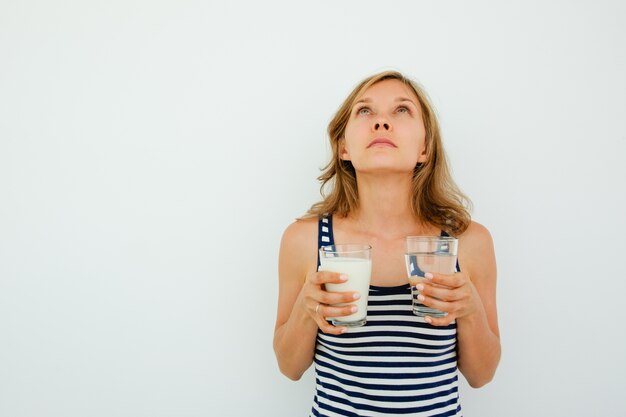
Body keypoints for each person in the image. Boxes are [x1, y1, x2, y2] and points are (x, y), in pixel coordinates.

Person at [273, 70, 500, 417]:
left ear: (424, 148)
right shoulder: (305, 240)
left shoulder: (467, 241)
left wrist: (470, 311)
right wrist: (307, 310)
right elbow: (289, 368)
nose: (381, 123)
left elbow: (482, 375)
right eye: (365, 111)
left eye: (402, 110)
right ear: (344, 147)